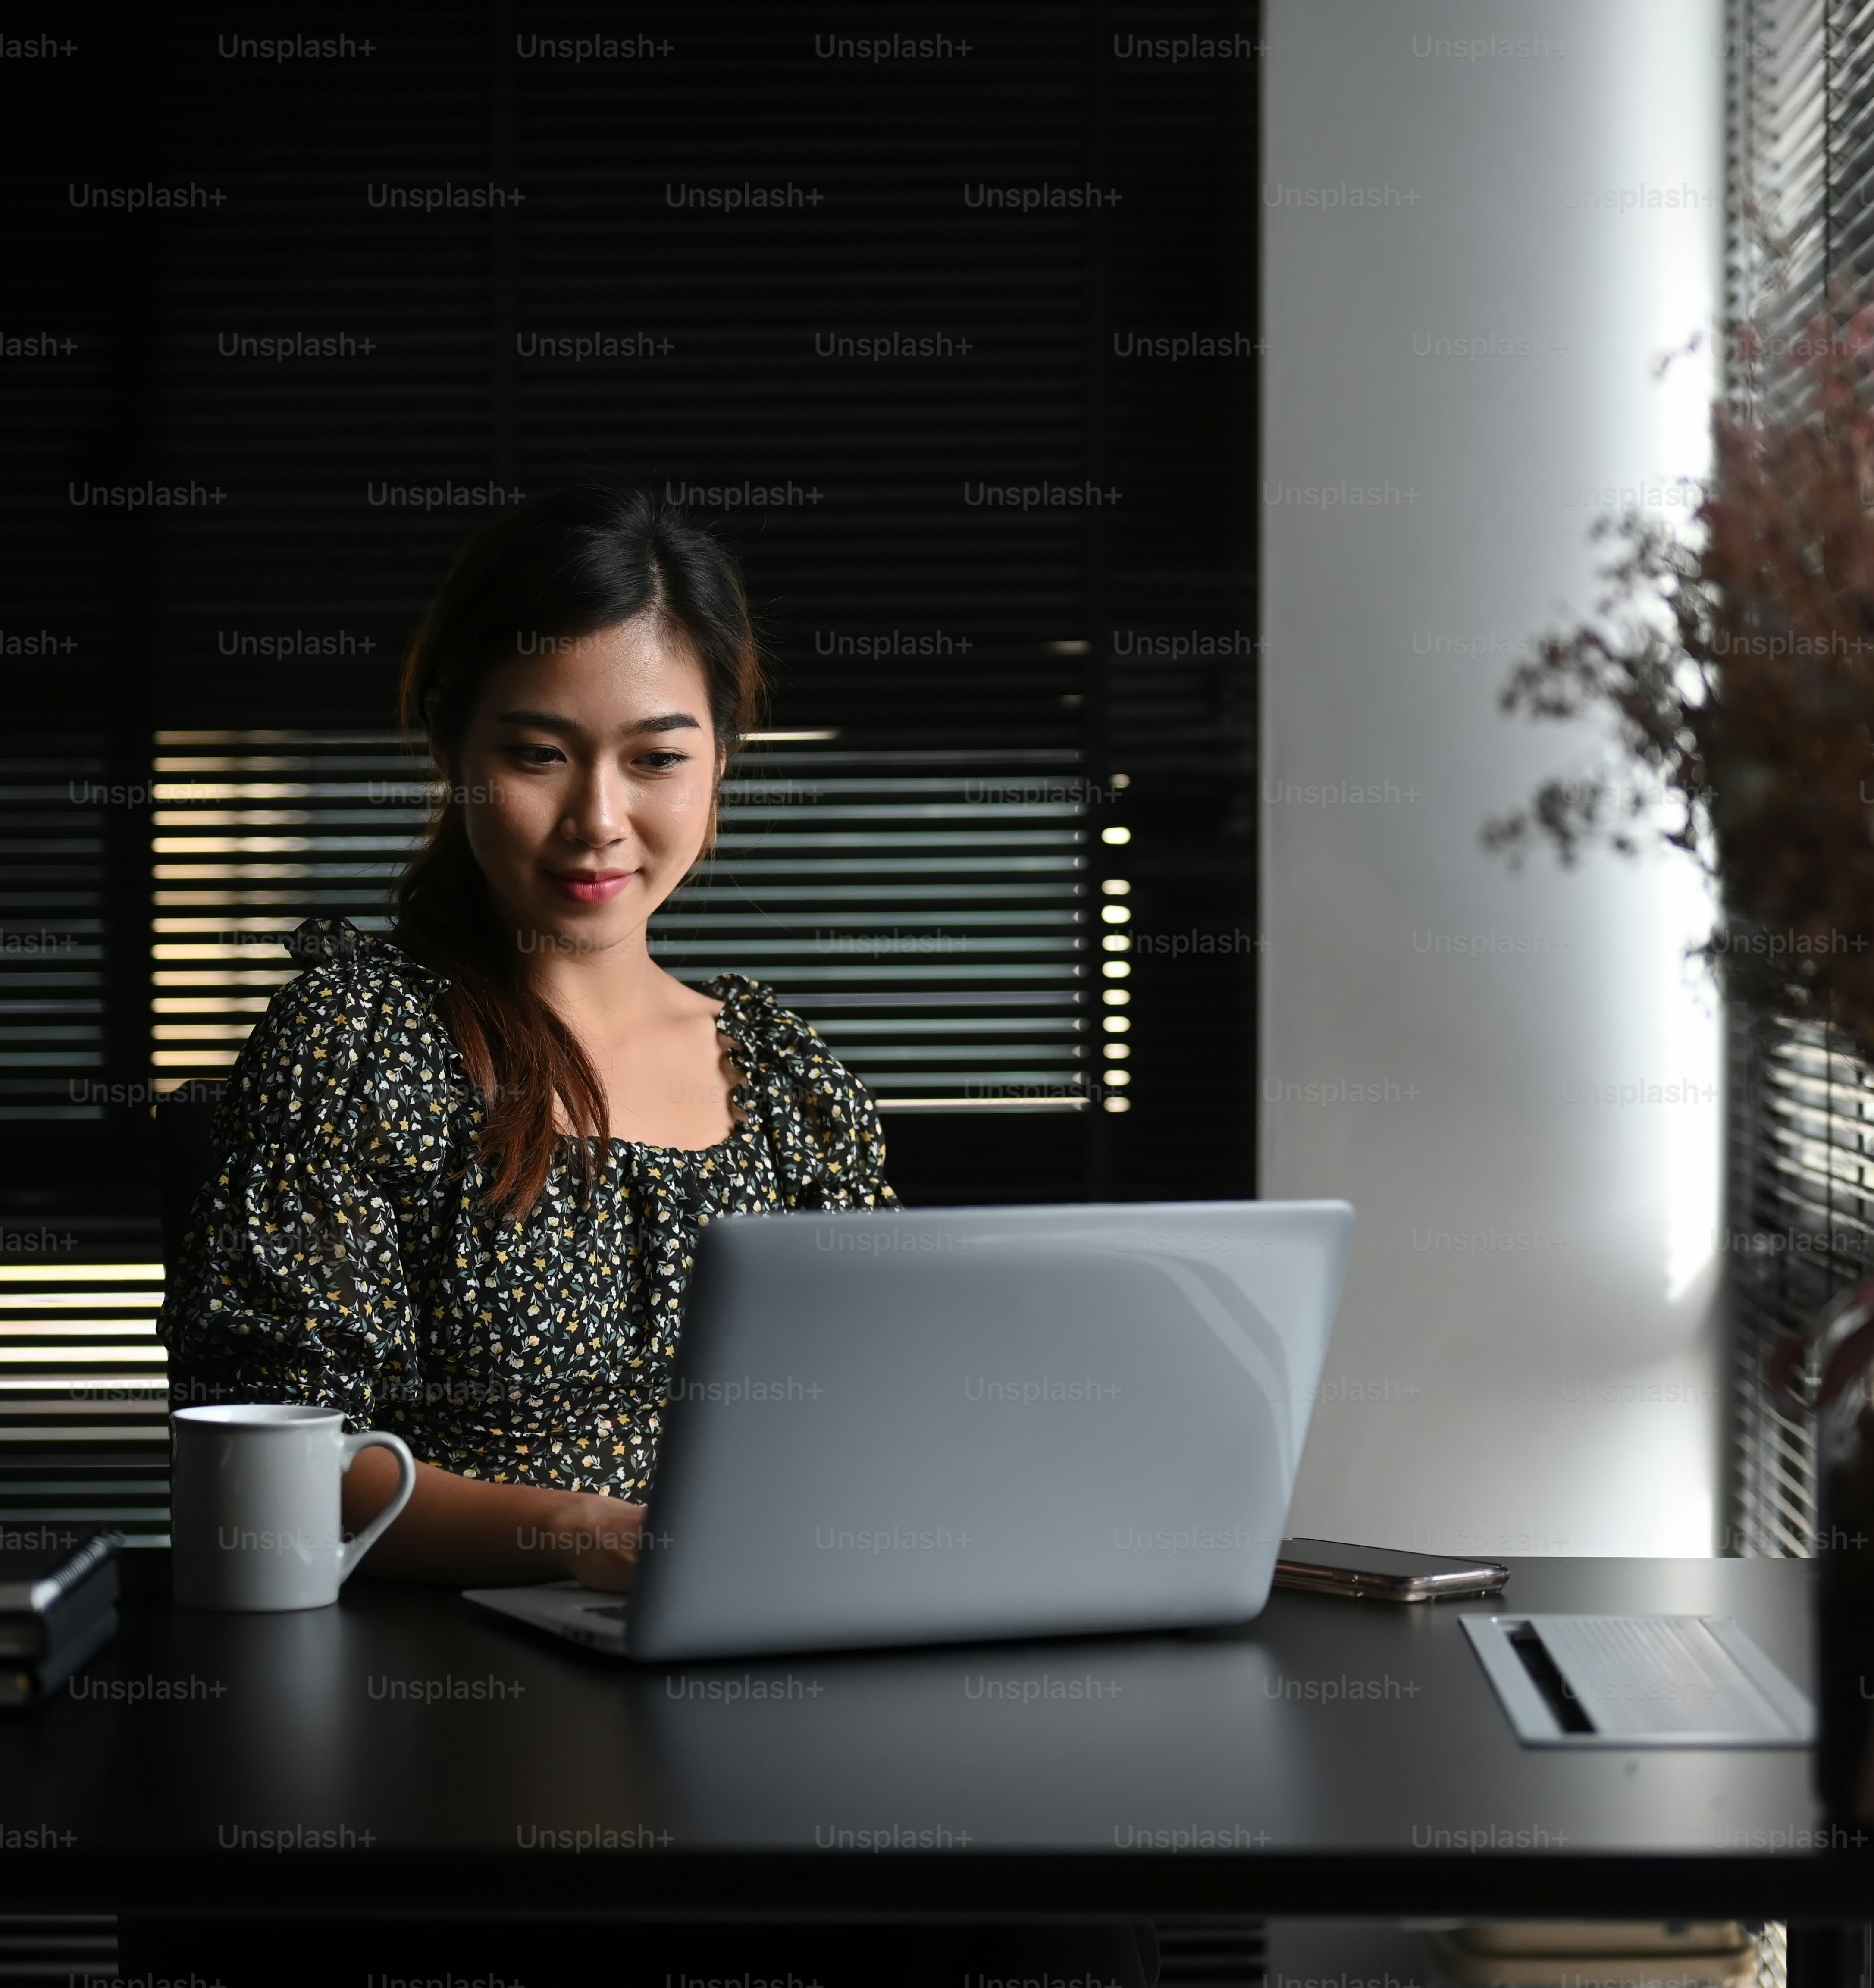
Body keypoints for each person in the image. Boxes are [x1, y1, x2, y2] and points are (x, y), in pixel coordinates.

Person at [147, 485, 1156, 1988]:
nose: (598, 819)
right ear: (451, 751)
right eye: (536, 752)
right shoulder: (355, 1039)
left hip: (759, 1684)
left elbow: (878, 1422)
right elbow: (276, 1470)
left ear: (722, 764)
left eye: (655, 758)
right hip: (451, 1701)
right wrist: (600, 1534)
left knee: (1069, 1886)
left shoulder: (794, 1081)